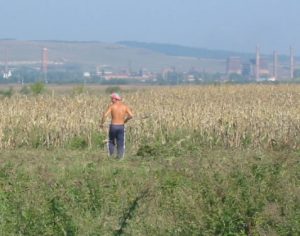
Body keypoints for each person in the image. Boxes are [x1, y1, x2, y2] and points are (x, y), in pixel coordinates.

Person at [100, 92, 133, 159]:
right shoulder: (125, 106)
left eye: (112, 99)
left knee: (111, 141)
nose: (111, 100)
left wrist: (102, 123)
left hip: (113, 126)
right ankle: (120, 158)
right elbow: (131, 115)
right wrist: (125, 120)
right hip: (121, 126)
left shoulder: (112, 106)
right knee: (120, 142)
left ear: (115, 99)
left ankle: (111, 156)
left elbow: (105, 115)